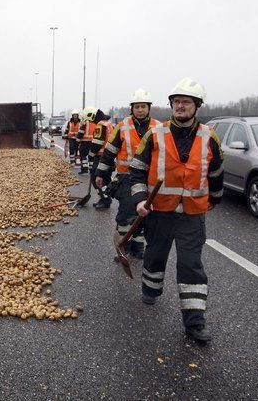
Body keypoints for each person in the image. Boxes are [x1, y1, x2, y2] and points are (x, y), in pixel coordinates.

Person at [129, 78, 224, 345]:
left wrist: (214, 198)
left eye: (186, 102)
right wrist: (139, 199)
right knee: (156, 255)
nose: (180, 106)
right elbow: (137, 169)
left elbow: (216, 171)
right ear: (171, 105)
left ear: (197, 106)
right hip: (160, 211)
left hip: (192, 214)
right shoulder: (156, 134)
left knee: (191, 265)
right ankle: (150, 287)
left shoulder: (209, 136)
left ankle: (195, 322)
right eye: (176, 101)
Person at [96, 89, 160, 260]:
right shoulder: (122, 127)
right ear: (132, 108)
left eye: (143, 106)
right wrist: (101, 172)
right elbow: (109, 151)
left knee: (144, 216)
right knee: (125, 216)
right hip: (126, 178)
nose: (140, 110)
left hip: (150, 180)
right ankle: (124, 247)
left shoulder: (159, 127)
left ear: (149, 108)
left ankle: (138, 248)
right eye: (137, 106)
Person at [85, 107, 114, 209]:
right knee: (105, 179)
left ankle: (106, 199)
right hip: (109, 157)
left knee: (96, 178)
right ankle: (105, 198)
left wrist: (90, 155)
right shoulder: (108, 124)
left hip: (102, 157)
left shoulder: (100, 125)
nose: (90, 122)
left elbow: (97, 142)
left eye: (90, 119)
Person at [78, 106, 98, 174]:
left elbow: (80, 133)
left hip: (85, 142)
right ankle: (92, 169)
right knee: (91, 156)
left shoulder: (85, 123)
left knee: (83, 155)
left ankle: (84, 169)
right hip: (93, 142)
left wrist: (78, 140)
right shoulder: (96, 123)